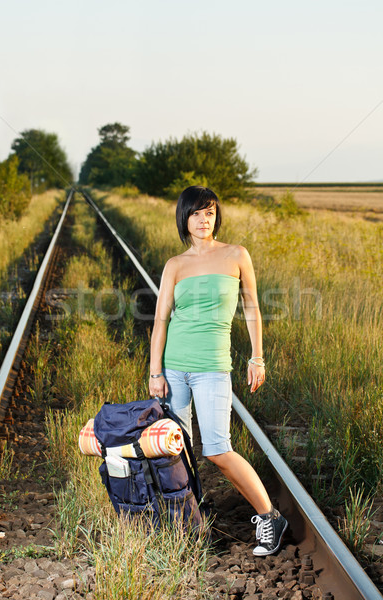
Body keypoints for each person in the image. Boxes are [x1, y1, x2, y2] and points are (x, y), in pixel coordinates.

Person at [149, 185, 287, 556]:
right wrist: (155, 371)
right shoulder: (175, 265)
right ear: (184, 218)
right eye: (195, 213)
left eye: (209, 212)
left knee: (216, 449)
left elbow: (252, 308)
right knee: (175, 450)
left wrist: (257, 357)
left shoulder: (236, 255)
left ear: (216, 217)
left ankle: (269, 517)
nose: (203, 219)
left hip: (212, 367)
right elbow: (161, 321)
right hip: (175, 368)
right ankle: (189, 521)